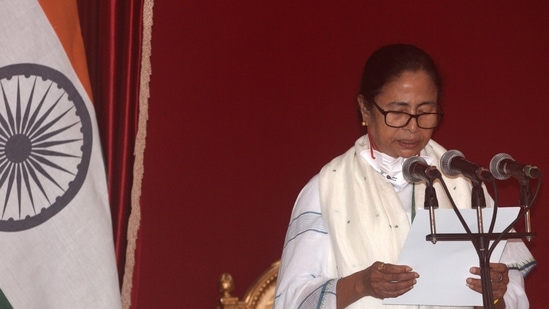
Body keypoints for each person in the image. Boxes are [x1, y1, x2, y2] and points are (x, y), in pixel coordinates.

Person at [274, 44, 535, 309]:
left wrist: (493, 292)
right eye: (398, 113)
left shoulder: (464, 182)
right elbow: (293, 300)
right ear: (365, 109)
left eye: (424, 113)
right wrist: (362, 284)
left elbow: (511, 296)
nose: (412, 127)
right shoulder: (327, 190)